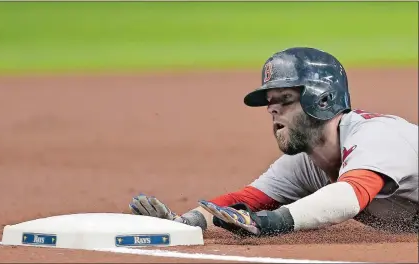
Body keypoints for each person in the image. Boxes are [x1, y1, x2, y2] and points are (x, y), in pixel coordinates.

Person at [129, 47, 418, 237]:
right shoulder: (307, 162)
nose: (272, 110)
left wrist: (270, 222)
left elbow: (348, 197)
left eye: (285, 100)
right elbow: (243, 201)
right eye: (270, 103)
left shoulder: (376, 137)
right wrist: (184, 224)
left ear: (323, 100)